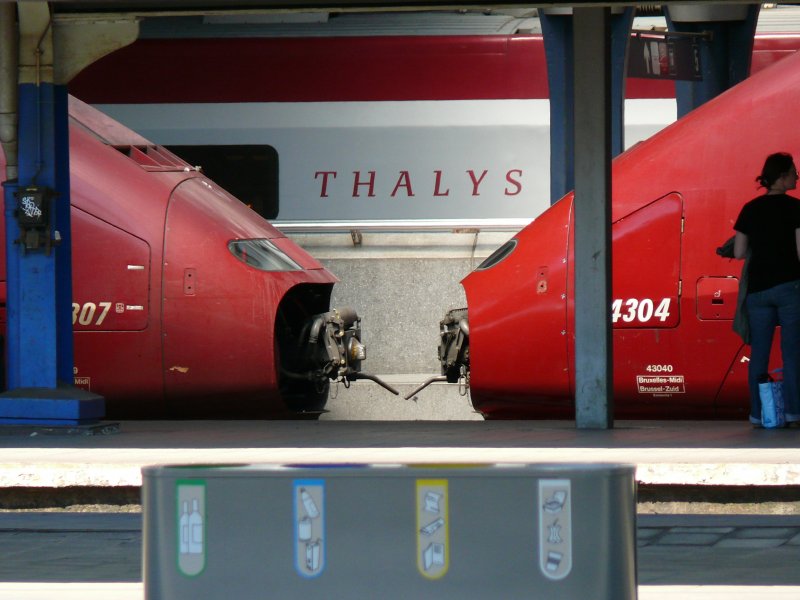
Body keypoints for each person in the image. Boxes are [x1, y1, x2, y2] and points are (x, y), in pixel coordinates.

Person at [734, 152, 800, 426]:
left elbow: (739, 252)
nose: (797, 177)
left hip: (758, 292)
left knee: (759, 354)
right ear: (782, 177)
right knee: (792, 353)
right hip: (789, 288)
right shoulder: (796, 208)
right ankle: (793, 414)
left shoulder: (750, 208)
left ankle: (758, 415)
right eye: (794, 173)